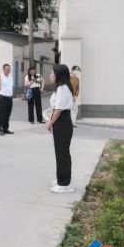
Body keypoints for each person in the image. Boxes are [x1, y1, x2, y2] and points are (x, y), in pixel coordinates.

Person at [46, 64, 75, 194]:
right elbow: (55, 108)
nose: (51, 75)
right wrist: (52, 122)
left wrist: (50, 122)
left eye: (52, 73)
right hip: (60, 122)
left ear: (59, 75)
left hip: (62, 122)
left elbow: (58, 109)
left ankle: (65, 184)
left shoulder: (63, 88)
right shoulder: (60, 88)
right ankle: (62, 179)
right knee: (60, 152)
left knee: (62, 153)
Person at [0, 63, 14, 136]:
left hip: (10, 98)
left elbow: (10, 86)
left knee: (7, 114)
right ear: (3, 69)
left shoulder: (11, 77)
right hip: (3, 98)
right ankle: (0, 129)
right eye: (7, 69)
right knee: (1, 114)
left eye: (9, 69)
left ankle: (5, 129)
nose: (8, 70)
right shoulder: (0, 77)